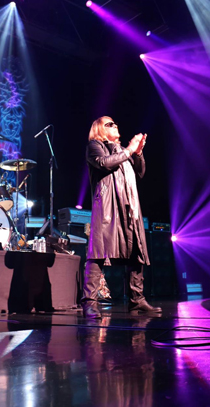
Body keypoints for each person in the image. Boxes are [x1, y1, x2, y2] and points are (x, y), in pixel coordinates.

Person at [82, 116, 161, 318]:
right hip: (108, 207)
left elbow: (140, 172)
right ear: (99, 129)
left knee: (137, 250)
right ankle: (89, 303)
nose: (115, 125)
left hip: (129, 207)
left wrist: (138, 152)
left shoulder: (122, 151)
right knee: (98, 252)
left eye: (115, 123)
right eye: (109, 124)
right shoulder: (95, 146)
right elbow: (104, 163)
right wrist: (130, 150)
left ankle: (137, 300)